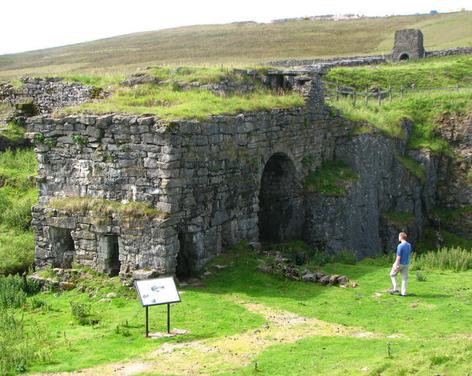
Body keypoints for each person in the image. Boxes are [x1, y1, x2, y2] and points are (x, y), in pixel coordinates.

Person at [389, 232, 412, 296]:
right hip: (406, 264)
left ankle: (395, 288)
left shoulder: (400, 246)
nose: (398, 238)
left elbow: (398, 257)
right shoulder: (409, 245)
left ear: (401, 237)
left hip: (400, 264)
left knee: (392, 274)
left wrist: (395, 264)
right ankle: (403, 293)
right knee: (404, 279)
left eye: (399, 236)